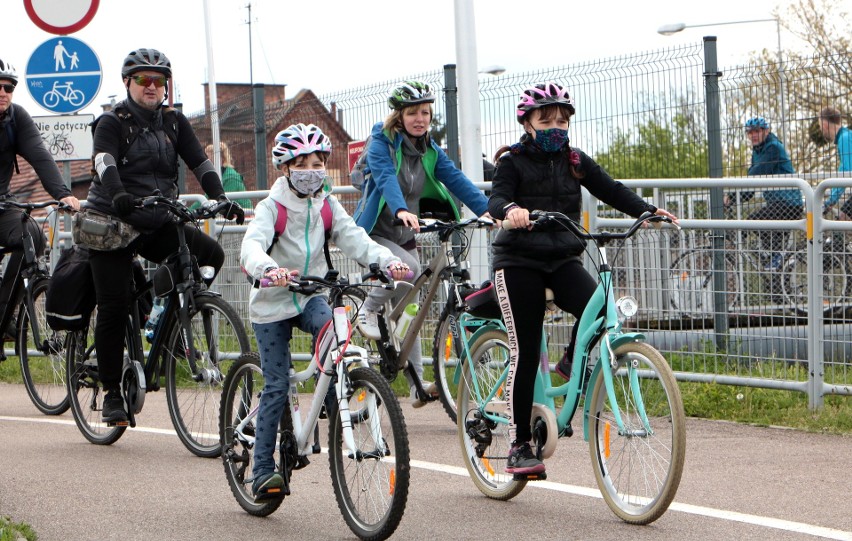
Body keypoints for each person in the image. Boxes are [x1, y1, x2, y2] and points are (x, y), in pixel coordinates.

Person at [487, 82, 678, 475]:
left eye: (562, 119)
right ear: (527, 123)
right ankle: (519, 443)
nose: (556, 125)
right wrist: (511, 210)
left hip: (562, 257)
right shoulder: (513, 161)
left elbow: (611, 189)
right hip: (518, 260)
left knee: (603, 308)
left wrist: (647, 211)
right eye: (546, 119)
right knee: (525, 349)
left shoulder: (575, 159)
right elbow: (496, 199)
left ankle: (570, 360)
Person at [240, 123, 410, 500]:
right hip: (272, 303)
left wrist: (387, 261)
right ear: (286, 167)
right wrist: (268, 270)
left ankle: (338, 401)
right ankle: (263, 469)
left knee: (336, 333)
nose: (312, 169)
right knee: (277, 384)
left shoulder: (327, 206)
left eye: (317, 161)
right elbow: (251, 246)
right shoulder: (272, 208)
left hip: (311, 294)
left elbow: (356, 239)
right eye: (302, 162)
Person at [87, 48, 244, 424]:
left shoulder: (174, 122)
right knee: (113, 304)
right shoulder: (112, 122)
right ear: (129, 83)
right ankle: (111, 392)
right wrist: (118, 193)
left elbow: (199, 162)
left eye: (160, 81)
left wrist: (220, 197)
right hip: (114, 219)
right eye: (144, 80)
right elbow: (103, 161)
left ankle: (169, 325)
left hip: (157, 217)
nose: (152, 86)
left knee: (209, 254)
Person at [352, 80, 490, 407]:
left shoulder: (429, 148)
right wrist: (400, 208)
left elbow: (455, 178)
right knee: (411, 270)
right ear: (399, 116)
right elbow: (385, 177)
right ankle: (367, 310)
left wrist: (490, 209)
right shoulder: (381, 142)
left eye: (425, 112)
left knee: (412, 308)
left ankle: (416, 383)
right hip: (375, 231)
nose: (420, 118)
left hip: (404, 234)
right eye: (413, 112)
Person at [0, 56, 80, 337]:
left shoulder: (16, 118)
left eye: (8, 88)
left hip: (2, 204)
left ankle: (4, 312)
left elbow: (40, 156)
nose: (2, 93)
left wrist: (63, 194)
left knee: (32, 235)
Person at [733, 116, 798, 271]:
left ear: (766, 131)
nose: (753, 135)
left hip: (788, 204)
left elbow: (756, 173)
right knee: (774, 271)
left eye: (757, 131)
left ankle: (778, 255)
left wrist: (732, 196)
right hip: (777, 205)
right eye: (750, 132)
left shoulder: (773, 148)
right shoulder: (758, 151)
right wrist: (733, 199)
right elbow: (751, 186)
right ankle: (776, 262)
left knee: (753, 221)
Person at [819, 107, 852, 217]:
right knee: (842, 218)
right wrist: (831, 200)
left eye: (820, 125)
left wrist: (830, 201)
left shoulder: (844, 138)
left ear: (824, 124)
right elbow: (843, 171)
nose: (820, 129)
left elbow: (847, 173)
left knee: (844, 218)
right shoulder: (846, 136)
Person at [205, 141, 251, 209]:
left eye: (210, 159)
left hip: (242, 216)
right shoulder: (216, 176)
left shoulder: (231, 177)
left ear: (222, 159)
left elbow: (224, 201)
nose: (207, 163)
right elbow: (205, 200)